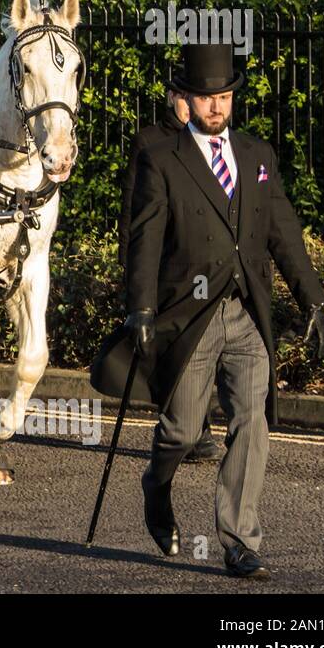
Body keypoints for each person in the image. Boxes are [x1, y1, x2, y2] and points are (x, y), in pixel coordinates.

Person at [94, 40, 324, 579]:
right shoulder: (162, 158)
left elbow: (283, 233)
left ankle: (240, 541)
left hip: (246, 315)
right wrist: (143, 309)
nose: (216, 107)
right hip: (190, 316)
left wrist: (311, 294)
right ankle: (156, 485)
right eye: (205, 98)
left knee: (251, 421)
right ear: (185, 99)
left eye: (223, 96)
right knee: (179, 432)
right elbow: (144, 241)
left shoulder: (257, 155)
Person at [118, 88, 223, 464]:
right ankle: (186, 428)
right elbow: (132, 206)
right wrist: (130, 267)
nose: (189, 107)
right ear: (171, 99)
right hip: (162, 267)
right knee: (172, 352)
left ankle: (199, 427)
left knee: (202, 348)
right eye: (184, 98)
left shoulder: (209, 140)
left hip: (200, 266)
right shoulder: (150, 140)